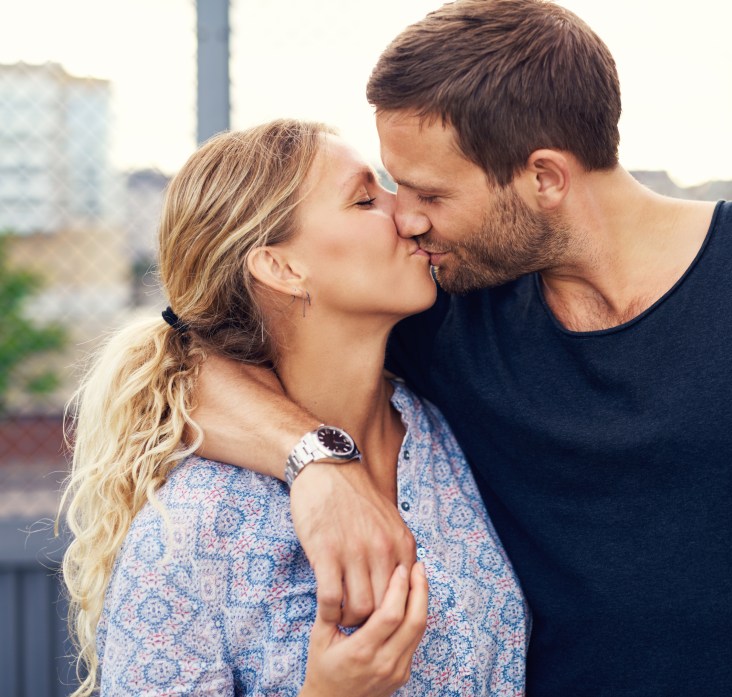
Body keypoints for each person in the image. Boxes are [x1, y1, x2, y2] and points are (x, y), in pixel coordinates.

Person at [195, 1, 732, 695]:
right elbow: (186, 362)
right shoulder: (443, 311)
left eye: (432, 193)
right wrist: (318, 464)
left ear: (544, 178)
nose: (407, 219)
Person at [59, 120, 528, 697]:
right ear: (282, 267)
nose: (408, 216)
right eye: (365, 200)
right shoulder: (192, 530)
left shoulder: (457, 433)